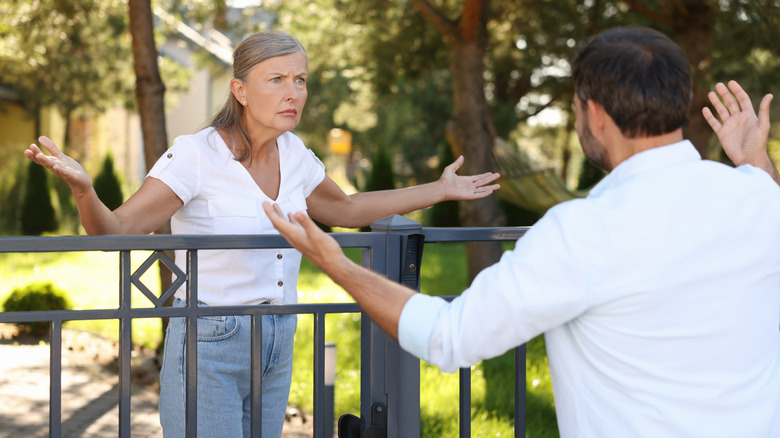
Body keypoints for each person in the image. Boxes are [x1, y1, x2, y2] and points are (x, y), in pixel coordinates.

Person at [264, 27, 780, 437]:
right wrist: (757, 164)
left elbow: (449, 337)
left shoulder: (584, 232)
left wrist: (337, 264)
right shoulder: (759, 197)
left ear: (593, 114)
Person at [23, 31, 501, 437]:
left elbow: (348, 209)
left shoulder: (296, 155)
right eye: (277, 80)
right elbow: (119, 229)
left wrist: (439, 190)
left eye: (300, 80)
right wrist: (85, 191)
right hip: (211, 338)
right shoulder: (196, 154)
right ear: (241, 90)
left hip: (280, 335)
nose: (293, 92)